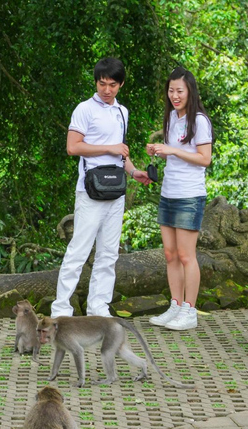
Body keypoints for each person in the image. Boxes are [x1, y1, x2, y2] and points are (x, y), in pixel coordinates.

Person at [51, 58, 151, 318]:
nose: (106, 90)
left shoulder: (122, 112)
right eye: (102, 83)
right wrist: (108, 148)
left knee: (108, 252)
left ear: (121, 84)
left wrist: (134, 171)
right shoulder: (84, 109)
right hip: (90, 190)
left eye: (112, 85)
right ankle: (62, 308)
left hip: (115, 189)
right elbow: (73, 147)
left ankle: (99, 307)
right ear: (96, 82)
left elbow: (121, 152)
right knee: (79, 249)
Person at [146, 67, 213, 331]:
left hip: (189, 195)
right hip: (169, 193)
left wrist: (172, 149)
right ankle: (175, 305)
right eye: (171, 90)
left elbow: (204, 159)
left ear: (190, 91)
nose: (175, 95)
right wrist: (160, 151)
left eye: (179, 91)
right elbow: (176, 154)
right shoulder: (172, 117)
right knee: (170, 254)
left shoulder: (200, 120)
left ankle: (190, 310)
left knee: (186, 255)